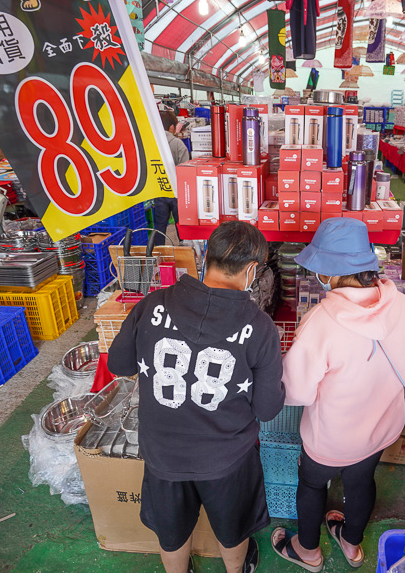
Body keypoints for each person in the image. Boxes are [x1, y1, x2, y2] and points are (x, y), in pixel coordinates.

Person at [107, 221, 285, 573]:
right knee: (232, 528)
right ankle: (237, 570)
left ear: (206, 258)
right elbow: (267, 410)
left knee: (171, 531)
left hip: (162, 453)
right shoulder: (260, 327)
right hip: (227, 458)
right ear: (251, 271)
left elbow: (118, 363)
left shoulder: (152, 303)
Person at [272, 218, 405, 572]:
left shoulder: (321, 321)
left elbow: (296, 391)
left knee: (311, 484)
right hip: (382, 426)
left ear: (330, 271)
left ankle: (307, 551)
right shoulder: (400, 303)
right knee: (361, 481)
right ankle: (351, 545)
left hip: (332, 438)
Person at [153, 110, 191, 244]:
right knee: (181, 225)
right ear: (171, 127)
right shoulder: (178, 144)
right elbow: (186, 171)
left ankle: (158, 254)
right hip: (177, 193)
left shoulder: (152, 144)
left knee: (159, 226)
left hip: (159, 190)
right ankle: (186, 252)